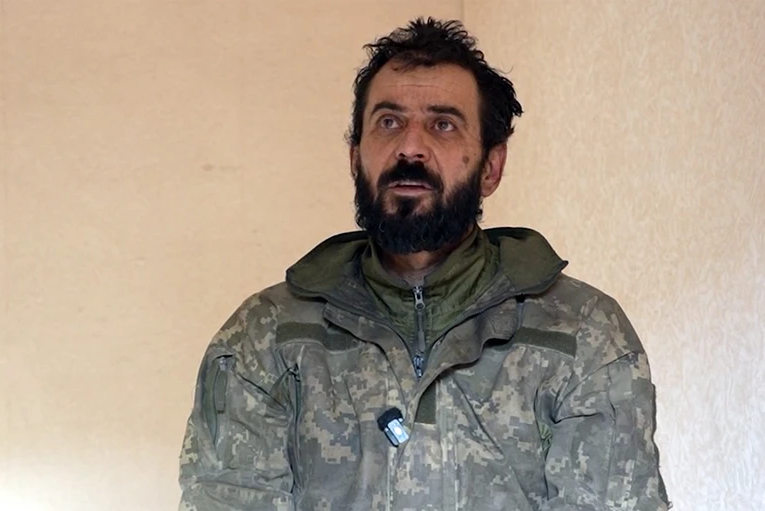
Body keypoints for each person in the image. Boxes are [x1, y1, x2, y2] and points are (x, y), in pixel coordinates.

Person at [178, 17, 669, 511]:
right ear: (355, 157)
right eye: (388, 122)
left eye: (443, 125)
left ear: (491, 167)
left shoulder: (582, 333)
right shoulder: (266, 337)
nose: (410, 147)